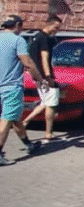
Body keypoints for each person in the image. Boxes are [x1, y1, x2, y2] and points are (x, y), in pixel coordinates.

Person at [0, 15, 45, 166]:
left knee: (14, 117)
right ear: (17, 25)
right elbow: (28, 63)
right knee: (6, 120)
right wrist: (39, 80)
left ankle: (29, 145)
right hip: (10, 87)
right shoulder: (18, 40)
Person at [21, 14, 62, 143]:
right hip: (44, 75)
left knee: (45, 101)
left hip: (36, 75)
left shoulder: (35, 37)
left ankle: (25, 121)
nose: (56, 30)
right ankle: (48, 133)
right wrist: (49, 77)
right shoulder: (44, 39)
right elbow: (44, 58)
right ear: (49, 24)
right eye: (56, 27)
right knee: (51, 104)